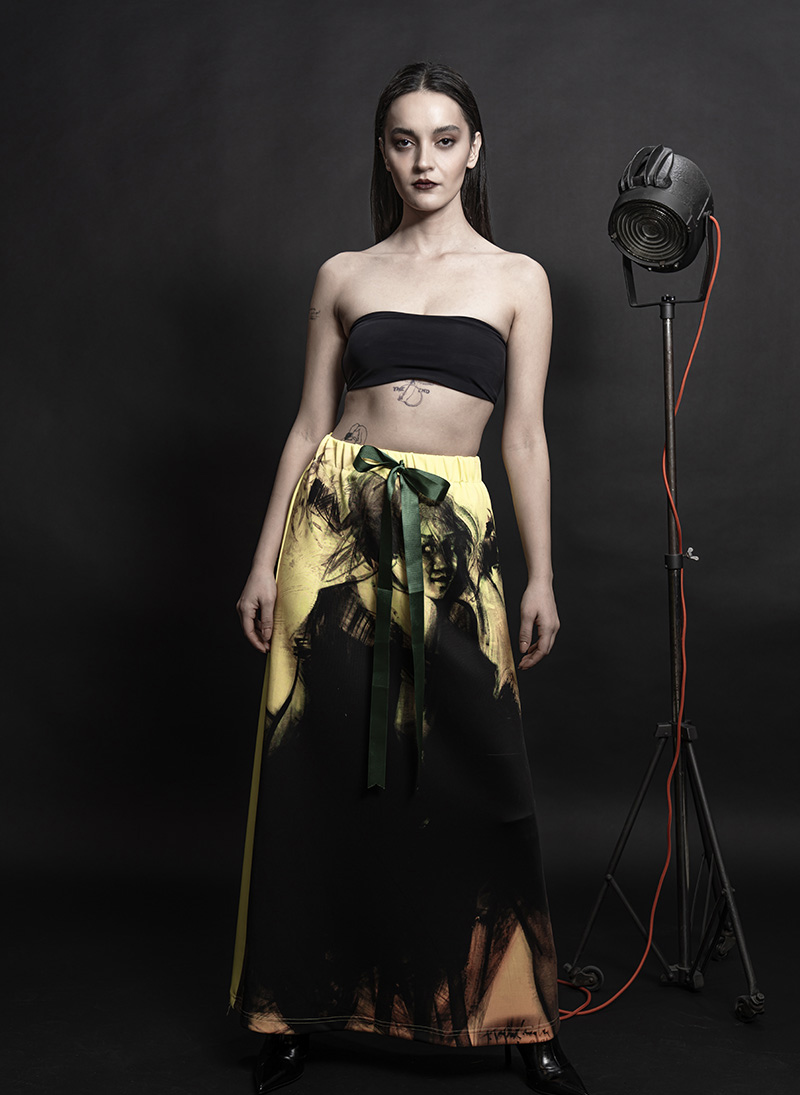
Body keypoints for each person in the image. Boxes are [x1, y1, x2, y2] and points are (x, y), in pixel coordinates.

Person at [230, 61, 589, 1095]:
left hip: (453, 535)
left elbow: (524, 438)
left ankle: (519, 1019)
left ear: (474, 151)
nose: (423, 160)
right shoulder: (344, 273)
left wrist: (540, 575)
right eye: (402, 140)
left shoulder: (517, 279)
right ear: (382, 154)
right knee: (314, 771)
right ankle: (290, 1010)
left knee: (483, 775)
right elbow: (308, 423)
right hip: (333, 522)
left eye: (443, 139)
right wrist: (263, 559)